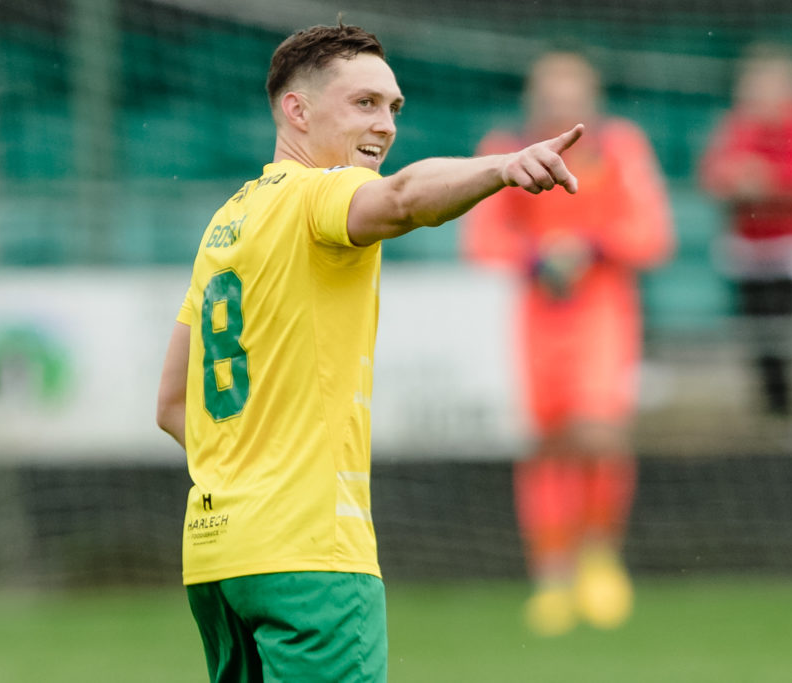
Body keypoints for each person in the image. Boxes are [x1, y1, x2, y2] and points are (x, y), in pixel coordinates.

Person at [156, 23, 584, 682]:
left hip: (218, 558)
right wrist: (500, 167)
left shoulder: (228, 221)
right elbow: (406, 197)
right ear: (296, 110)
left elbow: (171, 404)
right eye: (364, 103)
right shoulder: (322, 194)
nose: (384, 124)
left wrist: (250, 477)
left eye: (394, 108)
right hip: (310, 556)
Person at [462, 51, 673, 636]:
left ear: (591, 101)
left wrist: (591, 247)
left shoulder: (620, 148)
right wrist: (535, 255)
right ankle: (552, 576)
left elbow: (652, 233)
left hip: (603, 309)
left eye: (572, 95)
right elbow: (481, 238)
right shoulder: (504, 148)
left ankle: (601, 557)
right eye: (550, 95)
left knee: (599, 430)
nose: (561, 106)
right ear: (533, 100)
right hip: (537, 314)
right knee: (548, 441)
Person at [700, 44, 792, 418]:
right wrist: (738, 178)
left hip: (789, 248)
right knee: (755, 328)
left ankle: (786, 404)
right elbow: (714, 172)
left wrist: (766, 180)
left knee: (783, 327)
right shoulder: (738, 124)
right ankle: (768, 402)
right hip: (748, 247)